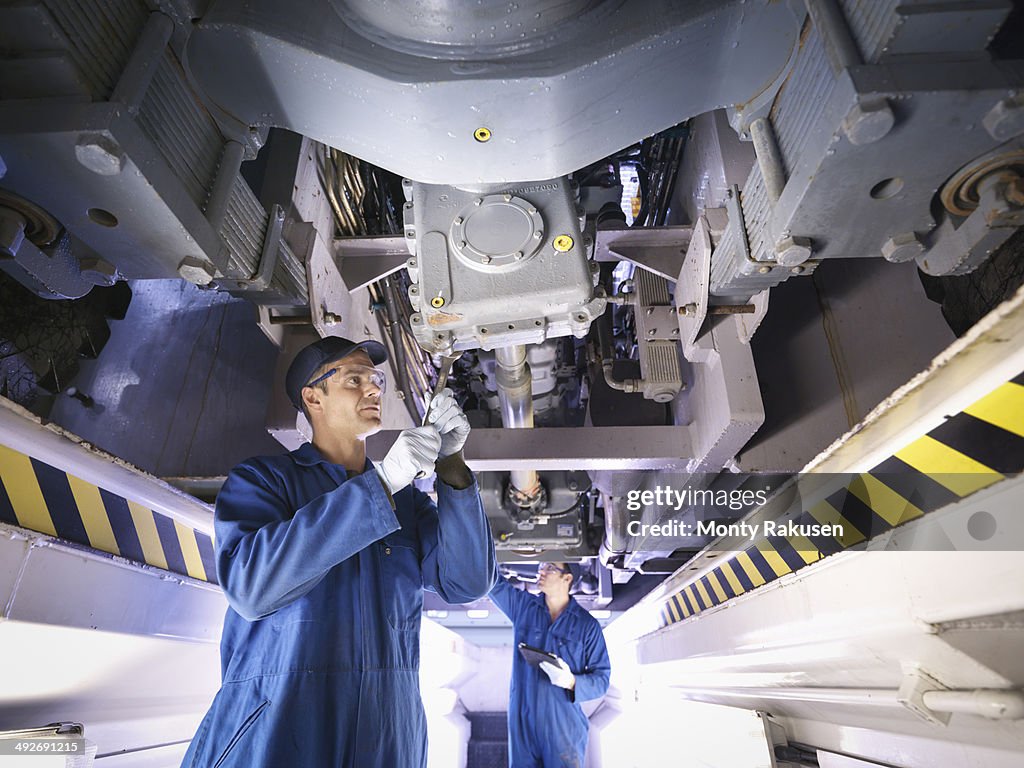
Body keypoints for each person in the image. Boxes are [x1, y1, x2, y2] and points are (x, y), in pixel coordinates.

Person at [182, 336, 496, 768]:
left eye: (375, 379)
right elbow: (251, 587)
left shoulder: (406, 502)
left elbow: (467, 582)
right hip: (281, 733)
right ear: (313, 397)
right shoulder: (265, 481)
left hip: (387, 737)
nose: (373, 388)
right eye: (354, 379)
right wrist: (382, 484)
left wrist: (453, 467)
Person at [489, 561, 611, 768]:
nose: (541, 572)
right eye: (541, 567)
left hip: (562, 727)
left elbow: (602, 679)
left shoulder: (587, 626)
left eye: (550, 568)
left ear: (567, 578)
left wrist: (572, 681)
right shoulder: (523, 607)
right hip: (523, 723)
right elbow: (492, 585)